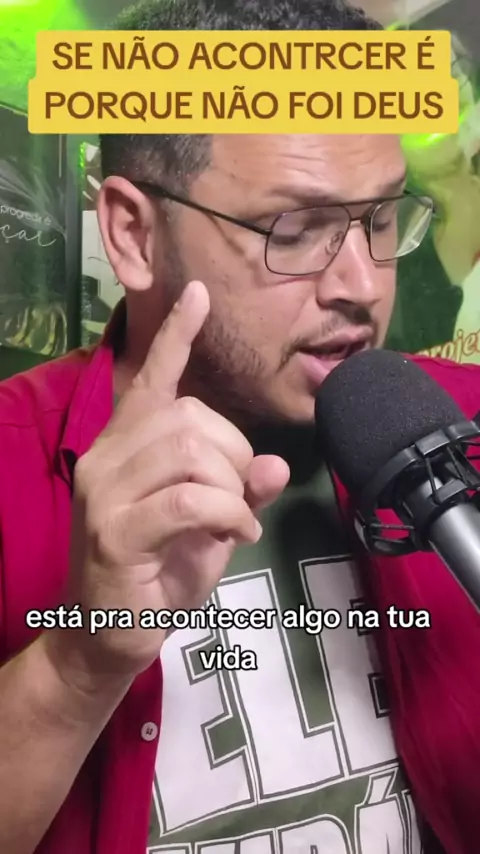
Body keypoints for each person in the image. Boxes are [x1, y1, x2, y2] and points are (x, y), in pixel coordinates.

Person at [1, 2, 480, 854]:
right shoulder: (10, 459)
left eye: (379, 221)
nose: (363, 285)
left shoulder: (466, 421)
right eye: (296, 230)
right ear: (133, 234)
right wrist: (75, 670)